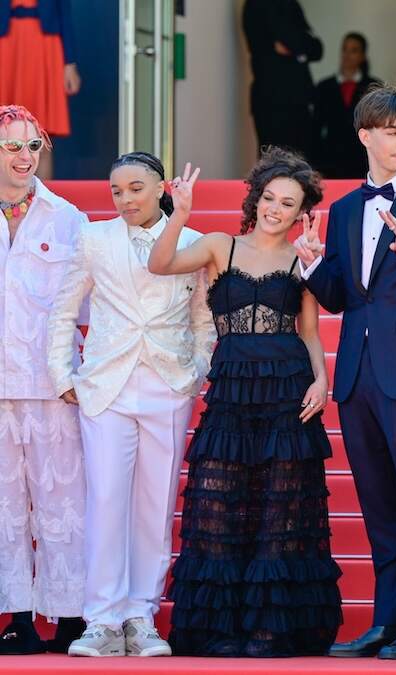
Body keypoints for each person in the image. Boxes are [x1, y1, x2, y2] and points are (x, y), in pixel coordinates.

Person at [145, 151, 342, 657]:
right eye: (271, 198)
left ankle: (270, 631)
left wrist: (323, 382)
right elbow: (160, 263)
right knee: (217, 504)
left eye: (289, 203)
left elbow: (311, 333)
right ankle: (220, 630)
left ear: (302, 211)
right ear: (256, 197)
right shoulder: (219, 246)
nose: (276, 209)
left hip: (287, 392)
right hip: (231, 392)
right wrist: (181, 215)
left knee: (281, 513)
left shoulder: (302, 258)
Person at [293, 85, 396, 661]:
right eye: (392, 131)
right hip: (356, 375)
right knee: (377, 503)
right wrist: (313, 263)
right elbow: (340, 298)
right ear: (365, 135)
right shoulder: (342, 210)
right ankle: (387, 620)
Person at [46, 151, 216, 657]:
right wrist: (63, 373)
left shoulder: (192, 243)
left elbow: (203, 320)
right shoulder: (94, 238)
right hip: (107, 384)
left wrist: (196, 372)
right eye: (117, 190)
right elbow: (63, 309)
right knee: (105, 501)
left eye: (136, 188)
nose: (125, 199)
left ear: (162, 187)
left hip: (168, 382)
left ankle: (141, 614)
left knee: (154, 504)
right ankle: (101, 619)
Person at [0, 104, 87, 655]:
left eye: (34, 145)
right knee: (4, 505)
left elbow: (89, 303)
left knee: (63, 501)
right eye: (13, 146)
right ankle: (19, 616)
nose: (25, 156)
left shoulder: (67, 217)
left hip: (52, 383)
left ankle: (73, 617)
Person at [0, 0, 81, 179]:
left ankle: (42, 202)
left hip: (44, 46)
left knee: (40, 134)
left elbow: (64, 16)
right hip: (5, 45)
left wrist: (69, 63)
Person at [242, 0, 323, 156]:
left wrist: (296, 48)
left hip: (299, 99)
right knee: (273, 161)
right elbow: (289, 39)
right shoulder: (257, 5)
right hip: (271, 99)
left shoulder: (291, 4)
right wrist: (299, 46)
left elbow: (317, 48)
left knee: (301, 160)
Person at [313, 32, 381, 178]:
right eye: (345, 49)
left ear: (363, 56)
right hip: (331, 162)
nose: (347, 55)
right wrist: (316, 163)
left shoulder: (373, 87)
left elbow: (379, 127)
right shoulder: (324, 87)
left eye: (354, 50)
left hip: (364, 161)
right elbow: (315, 128)